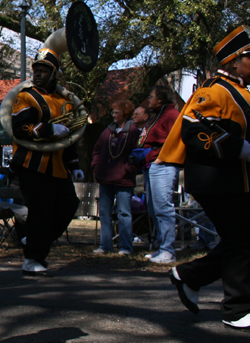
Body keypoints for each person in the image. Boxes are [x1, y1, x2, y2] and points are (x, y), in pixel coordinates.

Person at [159, 25, 250, 329]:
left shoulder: (242, 91)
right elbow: (194, 131)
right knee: (241, 240)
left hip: (236, 180)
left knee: (242, 239)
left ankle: (189, 276)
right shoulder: (213, 90)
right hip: (215, 181)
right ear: (234, 61)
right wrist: (241, 147)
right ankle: (236, 309)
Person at [10, 48, 83, 275]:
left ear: (54, 74)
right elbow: (20, 128)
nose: (38, 74)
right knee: (40, 212)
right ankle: (33, 258)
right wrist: (50, 128)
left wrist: (75, 165)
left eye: (44, 71)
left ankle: (30, 238)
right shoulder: (25, 96)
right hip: (31, 164)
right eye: (37, 70)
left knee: (68, 205)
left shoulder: (65, 101)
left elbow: (70, 138)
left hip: (59, 167)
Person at [135, 86, 180, 263]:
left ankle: (168, 251)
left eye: (151, 96)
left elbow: (176, 139)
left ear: (160, 99)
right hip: (152, 164)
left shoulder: (171, 115)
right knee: (154, 209)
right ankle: (161, 247)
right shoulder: (158, 116)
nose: (148, 100)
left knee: (163, 208)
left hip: (163, 165)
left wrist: (160, 158)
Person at [91, 100, 140, 255]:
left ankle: (125, 247)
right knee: (104, 213)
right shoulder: (107, 131)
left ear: (124, 114)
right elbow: (97, 150)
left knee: (124, 213)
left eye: (116, 112)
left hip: (124, 180)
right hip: (106, 178)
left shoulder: (133, 132)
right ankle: (105, 245)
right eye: (113, 112)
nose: (113, 115)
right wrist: (96, 167)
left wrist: (127, 168)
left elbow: (137, 153)